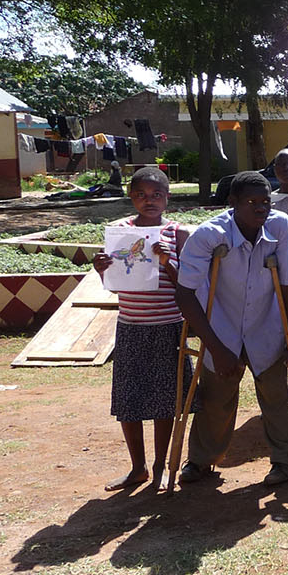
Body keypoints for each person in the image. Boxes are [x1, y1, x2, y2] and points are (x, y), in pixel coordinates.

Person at [175, 171, 288, 487]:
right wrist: (218, 350)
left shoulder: (280, 227)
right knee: (216, 399)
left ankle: (284, 461)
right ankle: (202, 460)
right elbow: (184, 294)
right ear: (232, 202)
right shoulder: (208, 235)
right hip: (221, 326)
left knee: (276, 397)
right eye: (252, 202)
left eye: (266, 202)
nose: (261, 209)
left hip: (267, 325)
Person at [92, 167, 191, 491]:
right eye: (141, 195)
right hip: (131, 327)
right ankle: (138, 468)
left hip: (167, 329)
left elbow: (188, 285)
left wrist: (167, 263)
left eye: (156, 195)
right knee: (129, 401)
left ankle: (161, 466)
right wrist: (101, 270)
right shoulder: (120, 232)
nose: (149, 201)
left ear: (168, 198)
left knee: (165, 402)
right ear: (131, 197)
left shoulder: (177, 234)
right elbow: (113, 285)